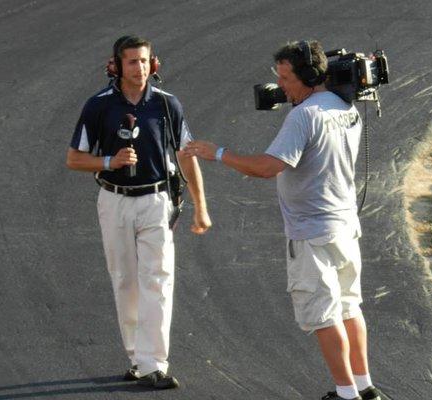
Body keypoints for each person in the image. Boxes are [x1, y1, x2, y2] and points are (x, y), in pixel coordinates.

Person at [183, 40, 380, 400]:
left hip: (312, 233)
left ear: (309, 75)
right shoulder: (344, 107)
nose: (282, 87)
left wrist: (220, 154)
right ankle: (365, 388)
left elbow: (269, 167)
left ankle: (346, 394)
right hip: (345, 228)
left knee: (324, 315)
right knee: (350, 307)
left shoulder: (303, 116)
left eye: (287, 78)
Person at [66, 35, 211, 390]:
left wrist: (201, 208)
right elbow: (73, 159)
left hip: (156, 202)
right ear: (115, 66)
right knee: (126, 281)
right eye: (132, 62)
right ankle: (137, 357)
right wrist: (108, 161)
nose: (140, 68)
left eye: (145, 61)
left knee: (158, 280)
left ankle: (153, 363)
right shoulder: (98, 106)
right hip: (114, 201)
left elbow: (186, 155)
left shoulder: (166, 104)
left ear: (154, 64)